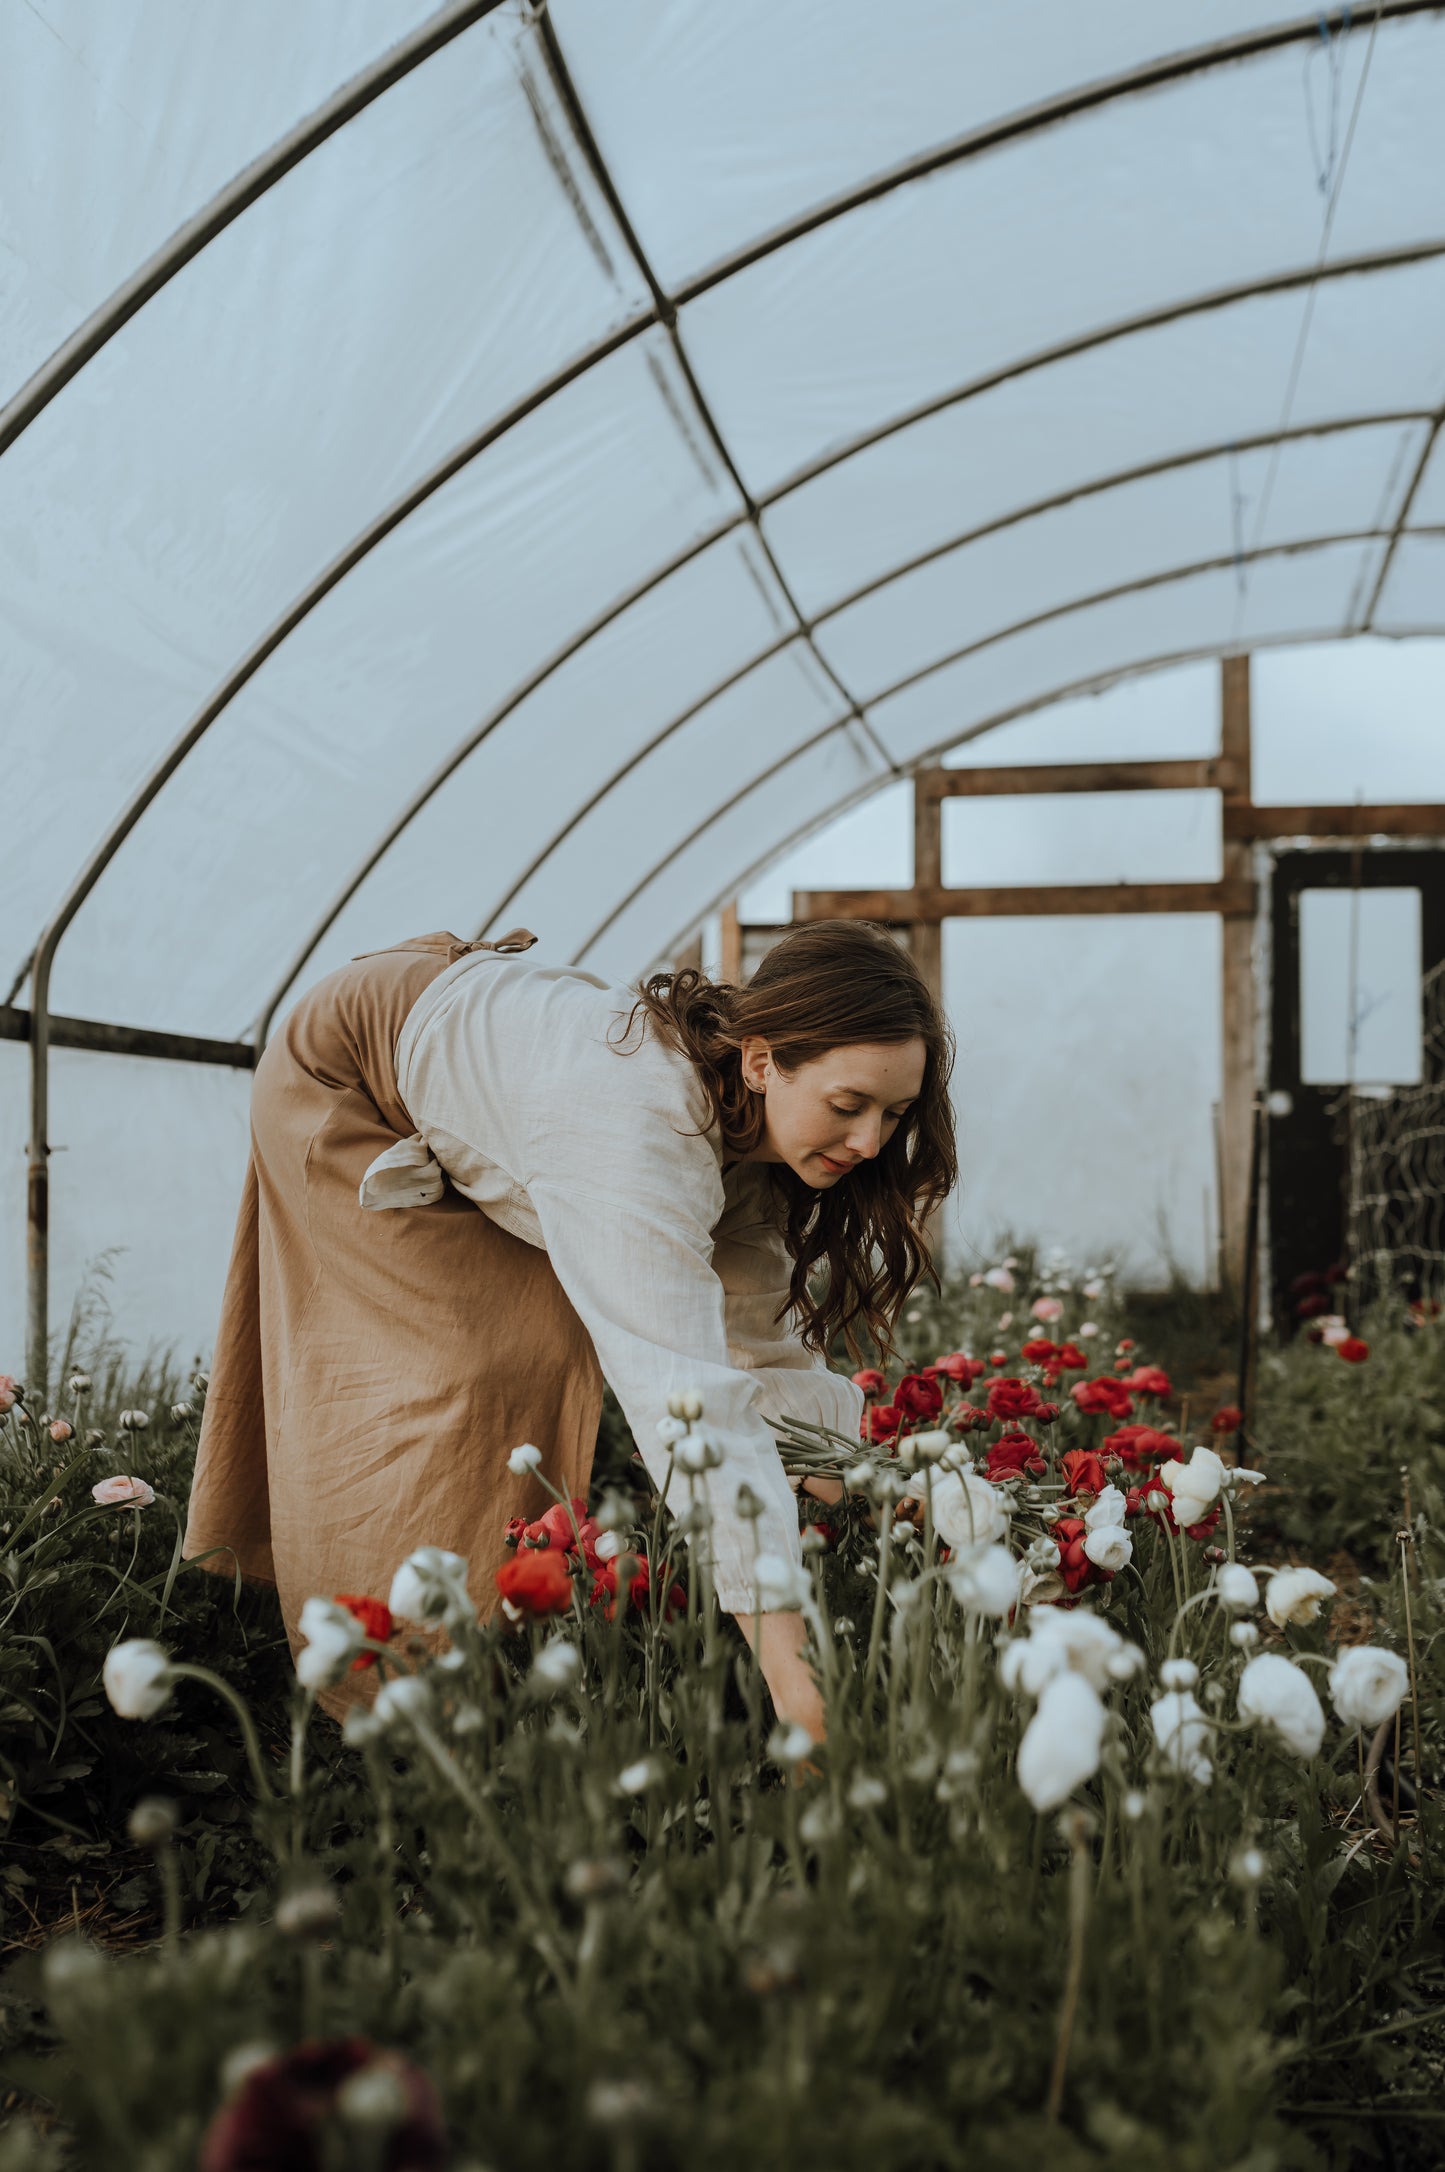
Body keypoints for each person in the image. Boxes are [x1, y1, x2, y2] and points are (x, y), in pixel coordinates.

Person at [182, 919, 956, 1735]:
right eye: (847, 1105)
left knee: (542, 1344)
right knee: (475, 1371)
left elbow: (757, 1346)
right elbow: (687, 1399)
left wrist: (875, 1495)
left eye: (893, 1113)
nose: (870, 1142)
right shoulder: (634, 1131)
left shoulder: (739, 1134)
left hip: (445, 1028)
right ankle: (381, 1698)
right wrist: (792, 1676)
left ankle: (481, 1655)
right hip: (343, 1076)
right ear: (761, 1062)